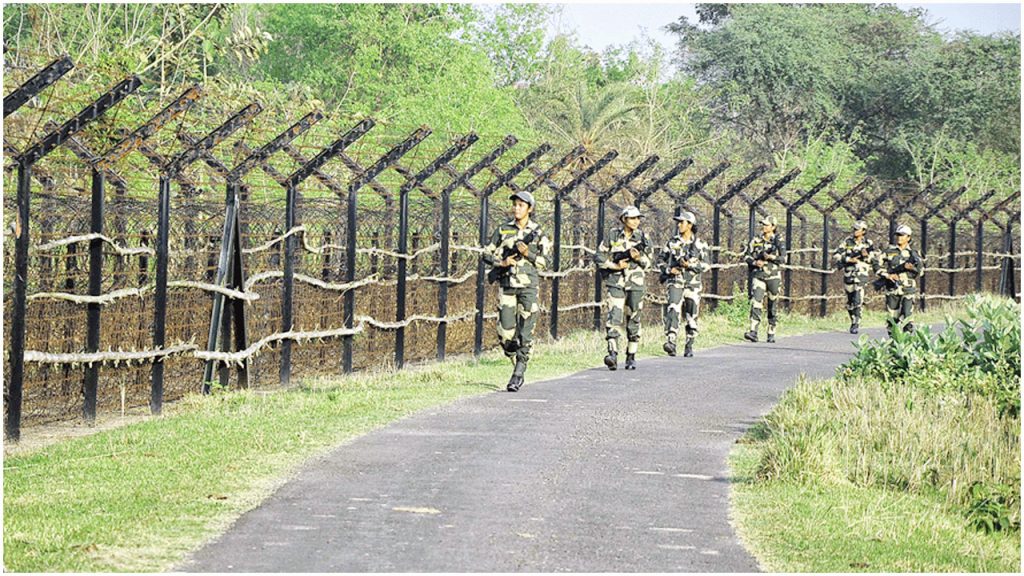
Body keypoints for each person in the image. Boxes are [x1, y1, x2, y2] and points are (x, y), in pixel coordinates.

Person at [481, 190, 552, 392]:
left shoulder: (538, 233)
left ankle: (519, 372)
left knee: (525, 332)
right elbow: (486, 253)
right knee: (504, 332)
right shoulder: (503, 230)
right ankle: (512, 354)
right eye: (515, 204)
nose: (516, 208)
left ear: (530, 208)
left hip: (528, 286)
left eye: (521, 205)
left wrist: (527, 253)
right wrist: (501, 262)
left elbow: (544, 263)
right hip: (508, 285)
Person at [596, 205, 652, 370]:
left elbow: (649, 264)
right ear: (624, 219)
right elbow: (599, 256)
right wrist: (614, 266)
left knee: (634, 317)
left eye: (638, 218)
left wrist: (638, 257)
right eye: (632, 218)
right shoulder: (613, 235)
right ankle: (612, 353)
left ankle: (631, 355)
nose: (636, 221)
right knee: (614, 315)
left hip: (635, 282)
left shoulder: (643, 238)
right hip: (616, 281)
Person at [658, 210, 708, 357]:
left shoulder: (700, 244)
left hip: (693, 284)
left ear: (690, 224)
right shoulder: (672, 242)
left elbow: (706, 265)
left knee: (692, 313)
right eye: (678, 222)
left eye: (682, 222)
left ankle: (689, 343)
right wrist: (669, 269)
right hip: (676, 282)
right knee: (673, 308)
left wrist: (690, 266)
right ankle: (671, 341)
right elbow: (660, 260)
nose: (679, 225)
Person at [743, 215, 786, 343]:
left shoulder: (778, 240)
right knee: (756, 302)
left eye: (767, 225)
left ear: (773, 227)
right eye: (763, 224)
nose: (764, 226)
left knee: (772, 304)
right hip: (759, 276)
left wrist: (770, 257)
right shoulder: (756, 239)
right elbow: (746, 256)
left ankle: (771, 330)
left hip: (773, 276)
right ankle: (753, 331)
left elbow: (783, 258)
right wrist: (755, 262)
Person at [875, 223, 922, 337]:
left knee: (908, 317)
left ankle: (906, 344)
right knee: (892, 318)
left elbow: (921, 271)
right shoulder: (888, 251)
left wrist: (912, 268)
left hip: (908, 288)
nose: (899, 237)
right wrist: (887, 275)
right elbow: (876, 265)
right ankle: (893, 343)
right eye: (898, 235)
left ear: (908, 238)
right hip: (893, 287)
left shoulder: (914, 254)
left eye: (902, 235)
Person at [832, 221, 878, 334]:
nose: (855, 231)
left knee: (858, 299)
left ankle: (856, 322)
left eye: (858, 229)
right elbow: (836, 254)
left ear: (863, 231)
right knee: (850, 301)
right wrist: (848, 259)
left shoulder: (868, 243)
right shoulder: (847, 241)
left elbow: (873, 259)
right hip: (849, 274)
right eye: (854, 229)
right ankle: (853, 318)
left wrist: (866, 257)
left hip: (861, 275)